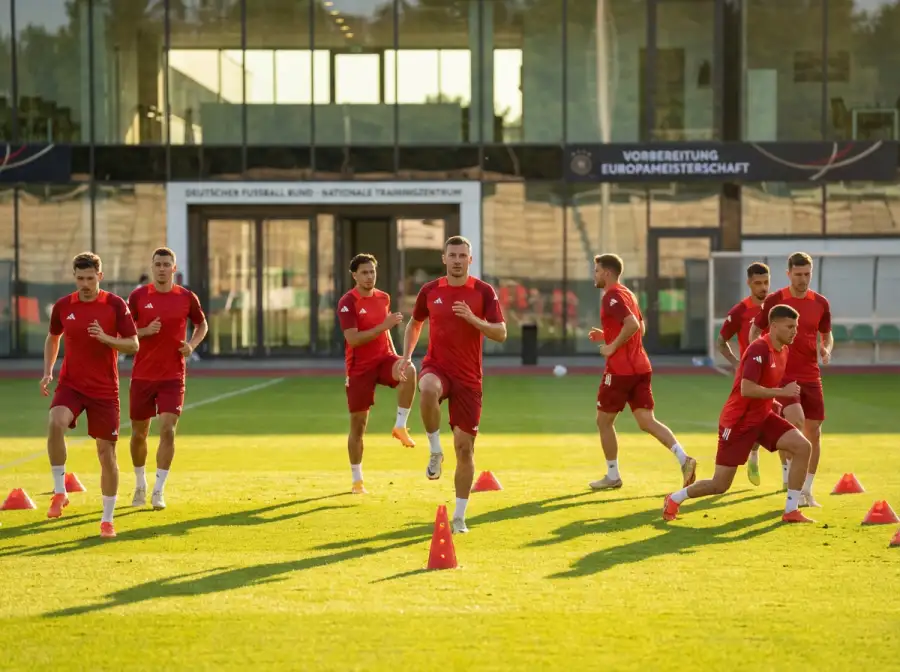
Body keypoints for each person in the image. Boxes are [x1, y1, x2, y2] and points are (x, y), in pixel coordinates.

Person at [663, 304, 815, 524]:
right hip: (738, 423)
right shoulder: (758, 349)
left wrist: (773, 402)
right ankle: (674, 498)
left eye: (796, 327)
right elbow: (747, 388)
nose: (795, 331)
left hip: (763, 417)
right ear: (773, 326)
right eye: (790, 326)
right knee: (720, 485)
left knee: (803, 447)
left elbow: (764, 384)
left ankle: (791, 510)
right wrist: (781, 393)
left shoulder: (783, 351)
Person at [400, 236, 506, 534]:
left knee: (464, 449)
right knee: (427, 388)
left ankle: (459, 517)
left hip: (469, 378)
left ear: (470, 260)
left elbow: (500, 333)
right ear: (444, 259)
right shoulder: (430, 290)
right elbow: (415, 323)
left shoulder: (483, 291)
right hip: (437, 367)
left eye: (462, 256)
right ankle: (435, 450)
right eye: (453, 255)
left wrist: (474, 319)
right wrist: (406, 357)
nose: (457, 260)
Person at [40, 252, 139, 538]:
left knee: (106, 454)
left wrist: (106, 338)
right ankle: (60, 491)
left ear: (100, 276)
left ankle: (107, 520)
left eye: (90, 278)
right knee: (55, 421)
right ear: (74, 276)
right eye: (80, 278)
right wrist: (48, 371)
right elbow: (53, 337)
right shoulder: (63, 306)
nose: (84, 284)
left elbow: (133, 345)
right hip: (71, 385)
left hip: (104, 390)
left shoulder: (115, 305)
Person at [588, 254, 698, 491]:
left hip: (620, 371)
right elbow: (641, 328)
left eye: (596, 271)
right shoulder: (628, 293)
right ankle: (684, 459)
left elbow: (633, 325)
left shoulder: (611, 296)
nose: (594, 275)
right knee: (647, 421)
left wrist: (611, 346)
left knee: (603, 421)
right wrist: (607, 335)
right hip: (641, 368)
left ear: (607, 273)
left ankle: (612, 475)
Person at [749, 252, 833, 508]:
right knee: (795, 421)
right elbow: (755, 330)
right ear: (788, 274)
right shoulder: (776, 300)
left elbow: (826, 334)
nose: (803, 279)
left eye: (807, 274)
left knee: (814, 432)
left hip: (811, 375)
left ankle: (807, 490)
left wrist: (826, 349)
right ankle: (791, 480)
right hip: (783, 375)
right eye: (798, 274)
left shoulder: (821, 303)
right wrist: (760, 360)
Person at [127, 247, 208, 510]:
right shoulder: (138, 297)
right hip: (142, 375)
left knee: (168, 430)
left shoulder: (186, 297)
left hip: (173, 376)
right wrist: (144, 331)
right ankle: (140, 483)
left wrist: (191, 345)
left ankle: (158, 491)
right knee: (139, 434)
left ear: (174, 268)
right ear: (152, 267)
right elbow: (123, 331)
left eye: (166, 265)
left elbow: (202, 324)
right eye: (158, 264)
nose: (162, 269)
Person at [337, 253, 418, 494]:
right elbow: (353, 339)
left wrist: (396, 356)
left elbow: (386, 332)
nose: (369, 276)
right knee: (358, 425)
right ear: (354, 275)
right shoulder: (347, 302)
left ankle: (400, 426)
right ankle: (357, 479)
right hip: (360, 368)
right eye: (364, 272)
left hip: (383, 359)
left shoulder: (383, 298)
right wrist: (384, 325)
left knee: (409, 369)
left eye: (372, 271)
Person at [717, 261, 789, 488]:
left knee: (784, 419)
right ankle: (753, 455)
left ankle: (786, 478)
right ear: (749, 283)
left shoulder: (778, 310)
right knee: (753, 419)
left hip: (775, 375)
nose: (763, 287)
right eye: (758, 283)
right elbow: (721, 342)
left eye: (766, 282)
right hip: (752, 378)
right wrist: (737, 364)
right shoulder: (740, 311)